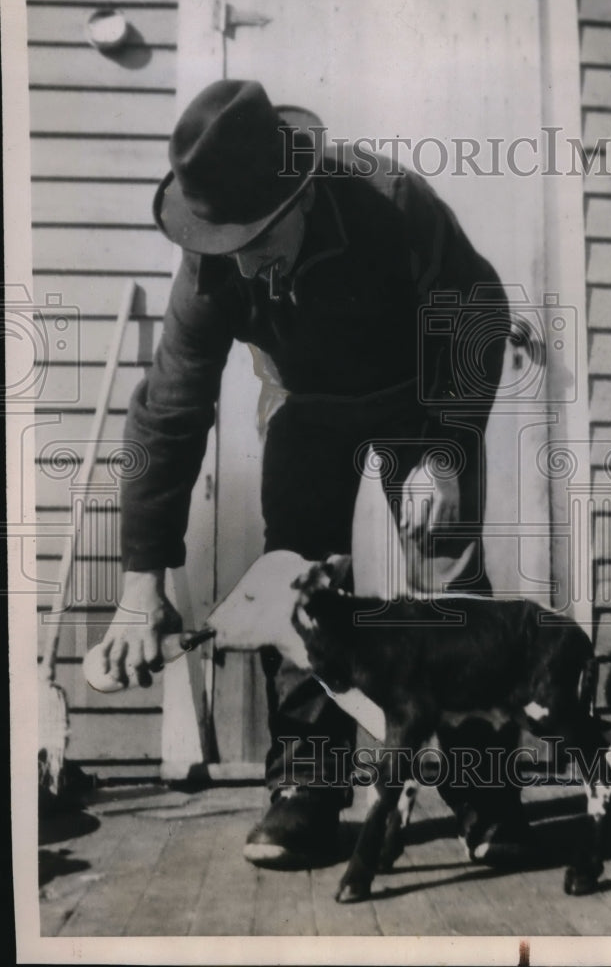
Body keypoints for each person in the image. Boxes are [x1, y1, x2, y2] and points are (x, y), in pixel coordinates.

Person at [101, 79, 524, 869]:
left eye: (254, 240)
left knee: (447, 578)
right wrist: (140, 584)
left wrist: (443, 447)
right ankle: (307, 785)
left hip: (420, 395)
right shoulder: (212, 261)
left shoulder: (390, 200)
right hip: (305, 403)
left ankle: (484, 789)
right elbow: (167, 411)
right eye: (222, 242)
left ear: (296, 198)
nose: (242, 263)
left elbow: (477, 314)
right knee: (293, 575)